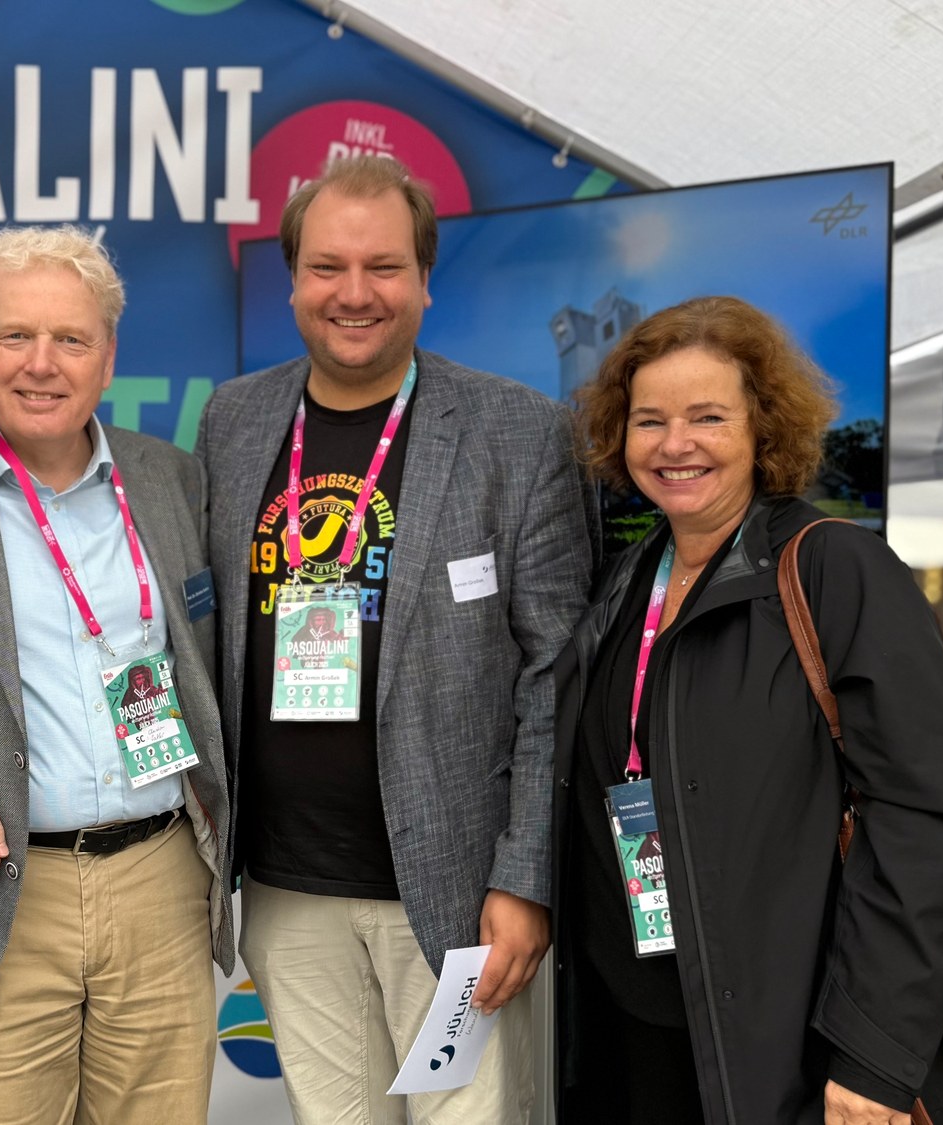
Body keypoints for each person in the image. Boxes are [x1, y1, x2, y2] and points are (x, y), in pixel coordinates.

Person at [196, 154, 591, 1124]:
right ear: (292, 282)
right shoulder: (235, 419)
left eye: (383, 267)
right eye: (327, 267)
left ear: (423, 280)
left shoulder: (517, 431)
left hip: (458, 894)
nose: (354, 293)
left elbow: (554, 674)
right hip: (286, 883)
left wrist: (524, 880)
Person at [551, 295, 943, 1124]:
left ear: (763, 427)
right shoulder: (626, 581)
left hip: (795, 1049)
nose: (675, 444)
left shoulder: (839, 571)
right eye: (650, 420)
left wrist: (873, 1056)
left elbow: (934, 821)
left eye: (708, 417)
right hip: (639, 1033)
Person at [0, 225, 233, 1124]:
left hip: (160, 885)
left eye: (71, 338)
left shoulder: (173, 480)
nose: (42, 363)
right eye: (16, 334)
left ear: (109, 356)